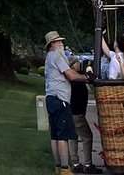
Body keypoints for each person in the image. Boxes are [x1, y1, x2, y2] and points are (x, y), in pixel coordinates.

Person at [44, 30, 92, 175]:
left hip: (51, 97)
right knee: (63, 135)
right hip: (60, 99)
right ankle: (65, 169)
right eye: (59, 41)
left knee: (55, 135)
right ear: (53, 43)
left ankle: (58, 166)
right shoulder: (57, 56)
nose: (62, 43)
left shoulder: (49, 57)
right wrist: (88, 78)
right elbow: (71, 75)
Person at [67, 58, 101, 174]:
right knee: (87, 137)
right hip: (77, 113)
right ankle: (88, 164)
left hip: (71, 112)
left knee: (73, 136)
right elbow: (88, 79)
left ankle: (75, 162)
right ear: (72, 66)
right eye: (76, 62)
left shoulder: (72, 78)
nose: (78, 64)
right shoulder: (76, 79)